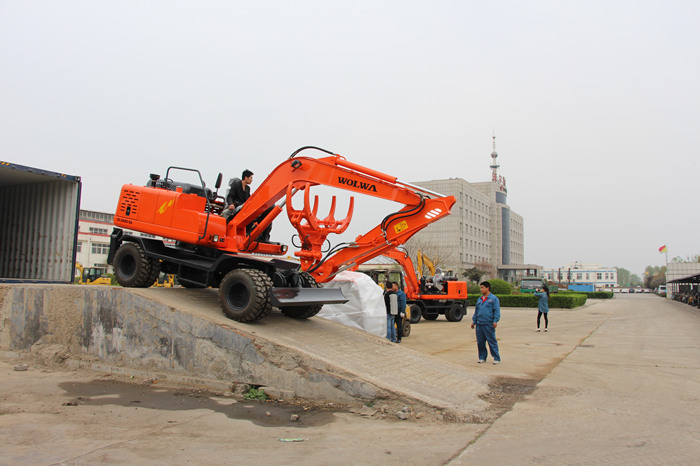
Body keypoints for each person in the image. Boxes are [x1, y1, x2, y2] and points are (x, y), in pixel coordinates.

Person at [223, 169, 272, 242]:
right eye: (251, 178)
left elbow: (248, 199)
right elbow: (230, 196)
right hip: (236, 207)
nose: (252, 180)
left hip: (244, 208)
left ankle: (260, 234)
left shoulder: (247, 188)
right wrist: (230, 204)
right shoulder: (236, 185)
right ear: (246, 177)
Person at [470, 281, 501, 364]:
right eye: (480, 288)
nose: (481, 289)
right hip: (479, 323)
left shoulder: (493, 299)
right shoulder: (480, 299)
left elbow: (496, 311)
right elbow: (477, 311)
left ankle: (496, 358)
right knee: (480, 342)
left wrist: (495, 321)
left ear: (487, 288)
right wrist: (474, 321)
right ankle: (482, 357)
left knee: (491, 341)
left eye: (482, 287)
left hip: (488, 323)